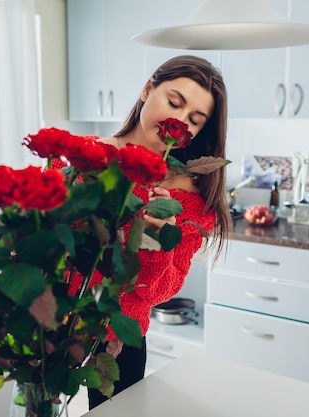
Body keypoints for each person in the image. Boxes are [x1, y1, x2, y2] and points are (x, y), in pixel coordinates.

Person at [60, 55, 231, 409]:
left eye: (194, 119)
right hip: (55, 321)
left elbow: (159, 293)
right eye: (174, 102)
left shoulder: (189, 200)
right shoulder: (87, 159)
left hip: (120, 341)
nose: (178, 121)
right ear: (147, 89)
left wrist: (158, 243)